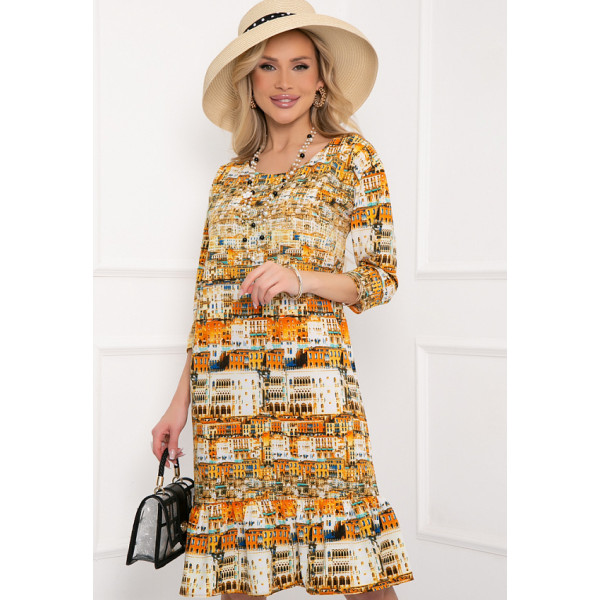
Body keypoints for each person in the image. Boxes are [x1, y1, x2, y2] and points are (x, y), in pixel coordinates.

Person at [151, 1, 414, 597]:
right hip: (228, 396)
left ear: (321, 78)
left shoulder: (353, 160)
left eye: (300, 65)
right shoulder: (229, 179)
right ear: (249, 80)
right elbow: (210, 305)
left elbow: (380, 279)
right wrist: (178, 403)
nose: (284, 82)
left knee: (357, 570)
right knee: (238, 574)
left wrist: (302, 277)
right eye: (268, 67)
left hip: (315, 394)